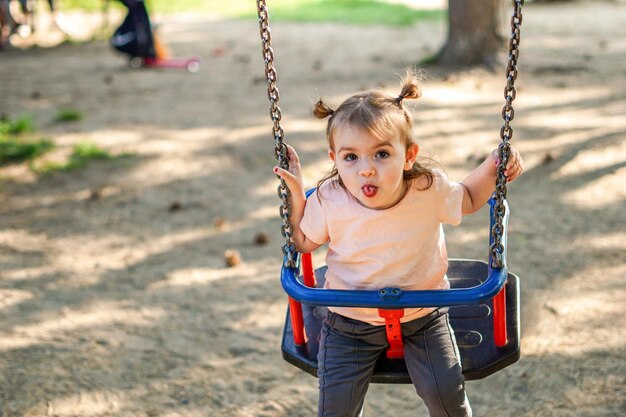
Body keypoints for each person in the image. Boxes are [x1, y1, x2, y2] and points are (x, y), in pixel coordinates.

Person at [273, 71, 525, 417]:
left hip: (424, 315)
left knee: (447, 397)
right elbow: (302, 240)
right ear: (334, 159)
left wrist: (494, 164)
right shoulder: (331, 198)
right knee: (336, 408)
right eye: (351, 157)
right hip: (348, 322)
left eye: (381, 154)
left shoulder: (427, 187)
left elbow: (465, 198)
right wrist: (297, 193)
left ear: (408, 156)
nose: (366, 170)